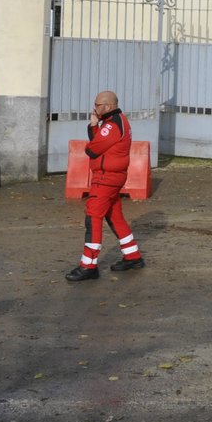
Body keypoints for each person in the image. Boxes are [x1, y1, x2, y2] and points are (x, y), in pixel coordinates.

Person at [67, 90, 146, 281]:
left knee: (93, 216)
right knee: (114, 216)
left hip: (106, 178)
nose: (94, 108)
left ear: (108, 106)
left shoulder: (112, 125)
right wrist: (95, 126)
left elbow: (92, 149)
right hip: (111, 177)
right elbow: (98, 142)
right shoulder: (115, 122)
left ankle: (88, 266)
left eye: (97, 105)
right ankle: (133, 256)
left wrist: (94, 126)